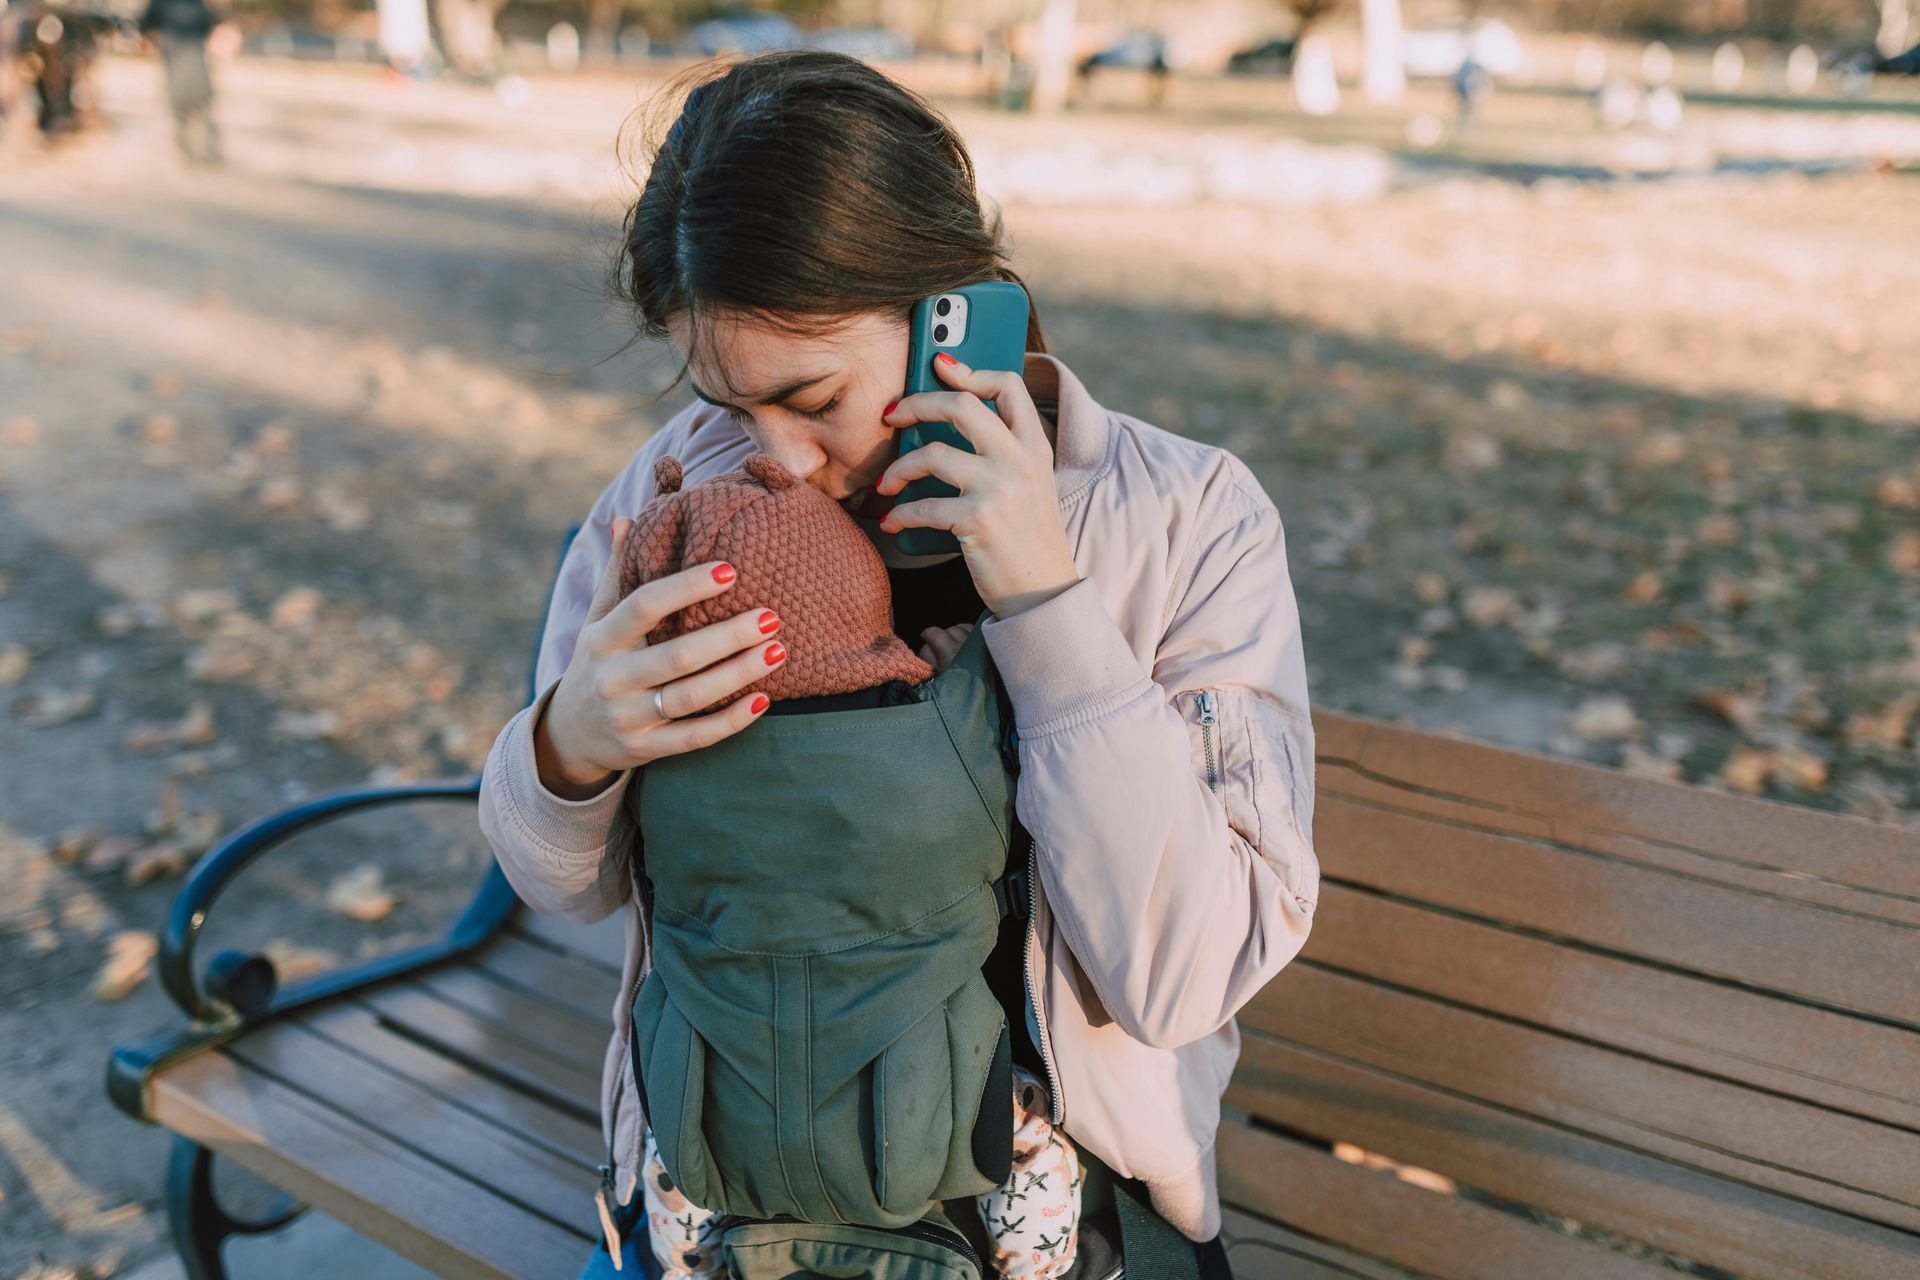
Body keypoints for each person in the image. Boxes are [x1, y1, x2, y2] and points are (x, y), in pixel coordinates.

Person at [476, 50, 1319, 1280]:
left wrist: (1047, 602)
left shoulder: (1186, 519)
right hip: (720, 1211)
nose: (778, 456)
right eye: (728, 400)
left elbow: (1180, 977)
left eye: (810, 395)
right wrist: (567, 746)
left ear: (948, 311)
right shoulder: (681, 489)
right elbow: (567, 885)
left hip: (1061, 1240)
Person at [138, 0, 219, 163]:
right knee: (189, 103)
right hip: (183, 53)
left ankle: (202, 150)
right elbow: (146, 24)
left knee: (196, 103)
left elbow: (209, 23)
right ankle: (193, 151)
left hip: (185, 53)